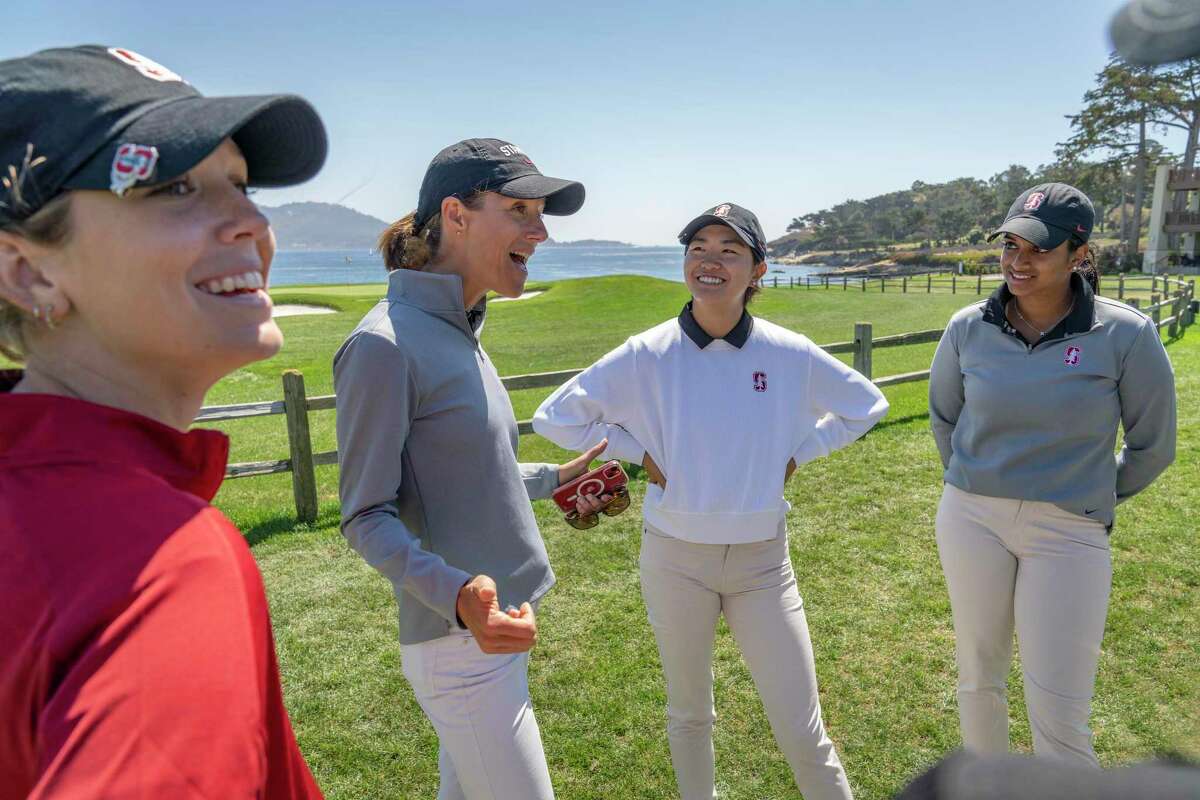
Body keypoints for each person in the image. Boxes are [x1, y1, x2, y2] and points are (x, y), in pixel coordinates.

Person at [0, 45, 328, 797]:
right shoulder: (162, 562)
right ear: (29, 271)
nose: (251, 220)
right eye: (174, 185)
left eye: (240, 184)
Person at [533, 203, 888, 800]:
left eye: (730, 250)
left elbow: (866, 405)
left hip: (762, 565)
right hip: (675, 560)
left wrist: (799, 454)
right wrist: (635, 452)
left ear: (758, 271)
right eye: (698, 247)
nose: (710, 261)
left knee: (801, 727)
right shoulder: (647, 352)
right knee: (690, 714)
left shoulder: (789, 351)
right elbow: (555, 418)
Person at [333, 138, 607, 800]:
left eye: (541, 215)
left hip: (490, 632)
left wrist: (555, 478)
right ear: (456, 214)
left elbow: (475, 467)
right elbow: (365, 516)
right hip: (460, 645)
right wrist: (458, 596)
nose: (540, 233)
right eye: (520, 210)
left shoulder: (460, 327)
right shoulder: (383, 345)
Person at [928, 183, 1177, 767]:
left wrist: (1086, 493)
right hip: (970, 519)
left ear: (1079, 254)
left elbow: (1152, 446)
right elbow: (945, 418)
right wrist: (973, 477)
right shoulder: (967, 326)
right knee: (978, 678)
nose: (1018, 261)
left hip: (1070, 531)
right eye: (1011, 243)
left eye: (1038, 248)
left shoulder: (1125, 334)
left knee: (1060, 712)